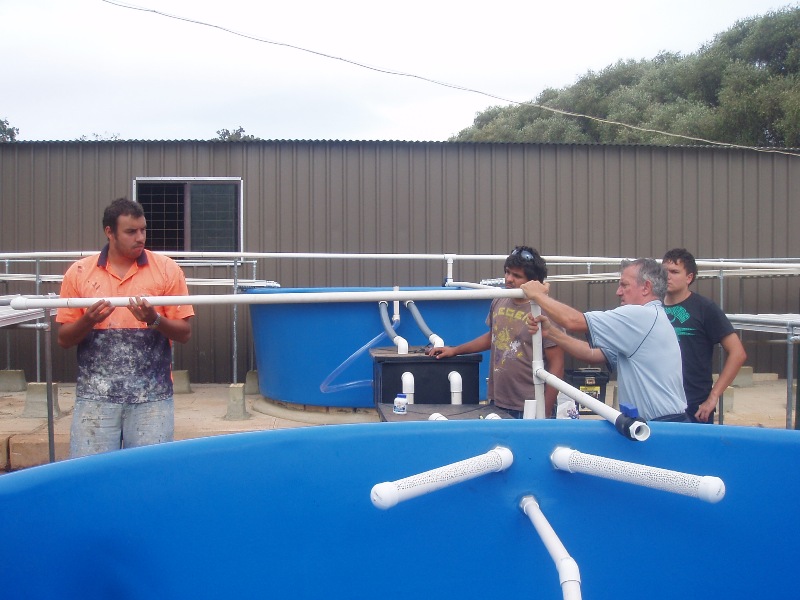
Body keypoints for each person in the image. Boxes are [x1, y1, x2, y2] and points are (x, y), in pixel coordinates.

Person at [56, 198, 195, 457]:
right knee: (90, 478)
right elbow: (64, 339)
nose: (140, 237)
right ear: (110, 232)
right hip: (95, 398)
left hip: (152, 397)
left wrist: (154, 320)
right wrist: (88, 320)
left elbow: (184, 333)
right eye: (131, 231)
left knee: (148, 478)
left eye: (143, 230)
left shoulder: (167, 270)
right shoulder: (79, 273)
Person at [522, 258, 689, 422]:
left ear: (646, 287)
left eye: (624, 285)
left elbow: (572, 321)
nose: (618, 292)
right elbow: (592, 354)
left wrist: (538, 295)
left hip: (663, 424)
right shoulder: (647, 321)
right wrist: (552, 333)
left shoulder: (642, 316)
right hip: (657, 423)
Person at [426, 246, 564, 418]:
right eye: (507, 272)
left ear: (534, 280)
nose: (509, 279)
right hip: (497, 401)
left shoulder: (546, 311)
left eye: (516, 276)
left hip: (530, 406)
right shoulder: (499, 299)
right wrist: (454, 350)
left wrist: (544, 411)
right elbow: (494, 336)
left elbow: (557, 365)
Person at [662, 249, 747, 423]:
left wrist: (713, 397)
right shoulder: (652, 307)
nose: (667, 276)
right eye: (664, 271)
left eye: (674, 272)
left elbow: (738, 353)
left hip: (694, 405)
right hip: (659, 403)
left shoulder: (705, 308)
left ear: (689, 277)